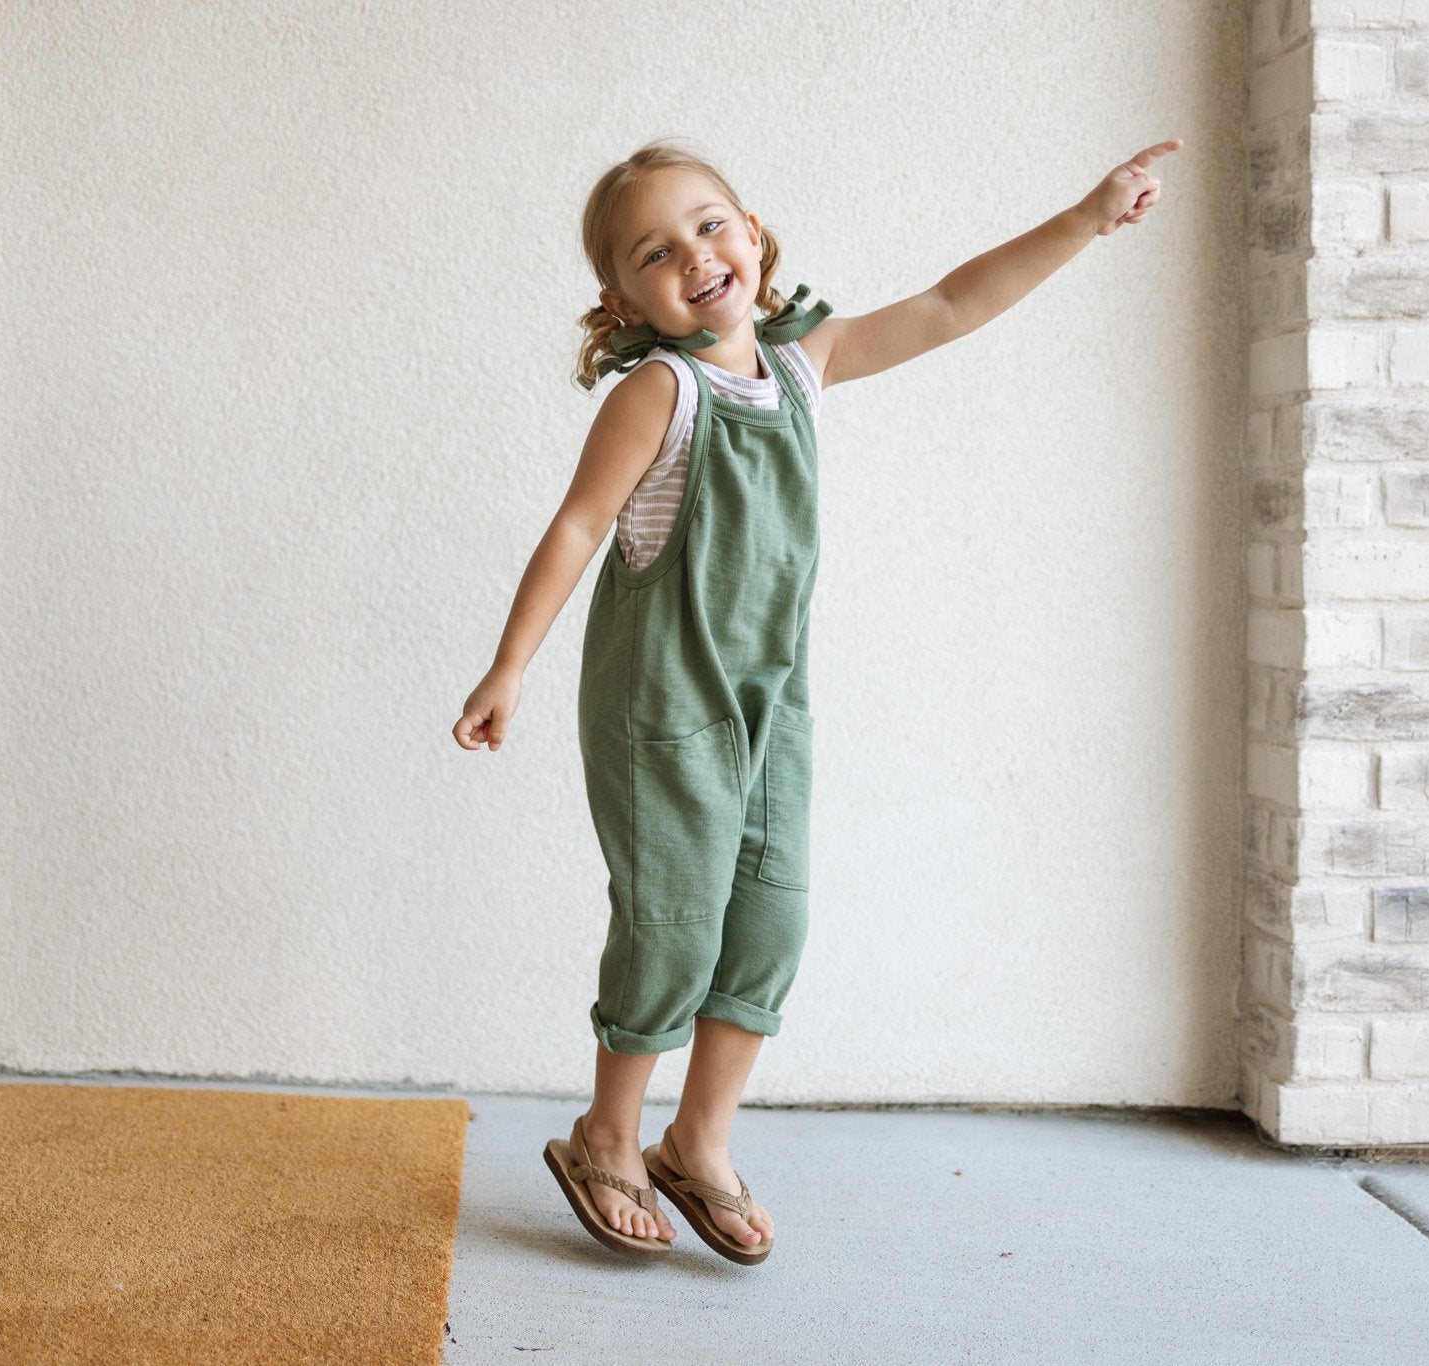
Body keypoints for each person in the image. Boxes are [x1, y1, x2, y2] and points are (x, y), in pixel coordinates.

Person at [452, 134, 1180, 1263]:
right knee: (672, 926)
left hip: (768, 709)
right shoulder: (663, 390)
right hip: (661, 714)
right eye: (654, 251)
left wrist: (1086, 217)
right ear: (622, 298)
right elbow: (577, 527)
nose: (692, 254)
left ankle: (698, 1140)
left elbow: (948, 303)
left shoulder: (802, 364)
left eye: (708, 224)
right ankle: (606, 1133)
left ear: (753, 235)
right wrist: (508, 667)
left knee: (770, 918)